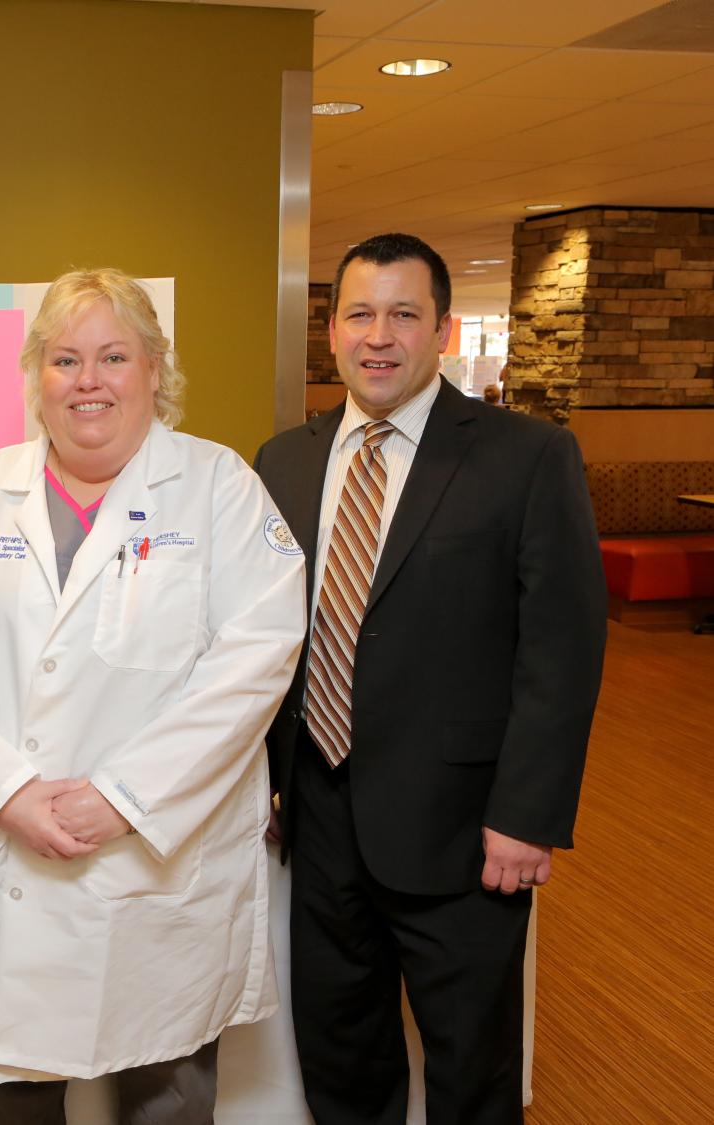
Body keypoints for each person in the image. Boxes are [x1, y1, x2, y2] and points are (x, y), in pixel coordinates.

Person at [0, 268, 306, 1123]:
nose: (88, 380)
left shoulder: (219, 488)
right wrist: (6, 790)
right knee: (5, 1094)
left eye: (114, 356)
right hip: (9, 847)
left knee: (167, 1094)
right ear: (36, 375)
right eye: (64, 358)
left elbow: (256, 659)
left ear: (155, 369)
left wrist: (122, 798)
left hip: (152, 857)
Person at [254, 233, 606, 1125]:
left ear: (442, 330)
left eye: (405, 315)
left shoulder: (526, 456)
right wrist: (260, 779)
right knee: (341, 1053)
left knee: (472, 1071)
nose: (381, 336)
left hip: (465, 834)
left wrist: (526, 817)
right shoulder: (283, 460)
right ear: (330, 330)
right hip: (321, 814)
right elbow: (256, 638)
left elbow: (560, 651)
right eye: (361, 314)